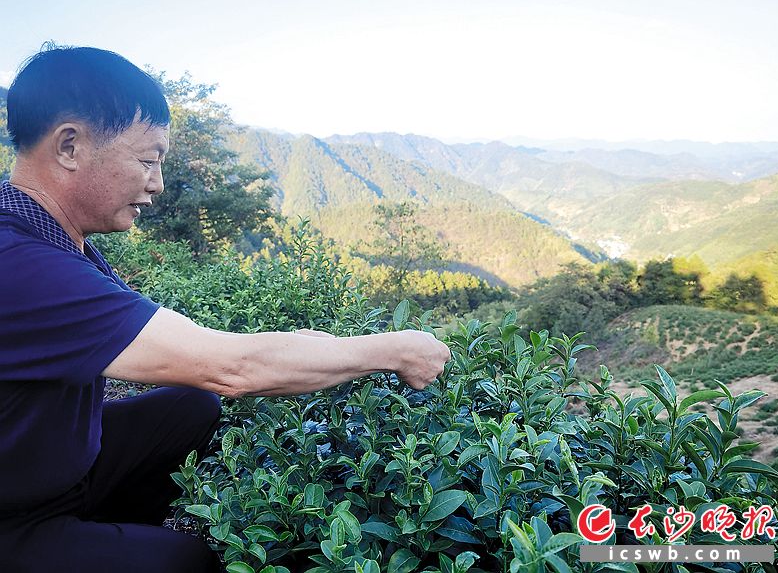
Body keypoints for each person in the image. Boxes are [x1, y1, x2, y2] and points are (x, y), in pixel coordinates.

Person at [0, 45, 450, 573]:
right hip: (15, 514)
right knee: (185, 561)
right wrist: (395, 349)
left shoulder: (47, 235)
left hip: (47, 465)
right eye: (147, 160)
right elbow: (232, 367)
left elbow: (182, 342)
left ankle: (108, 539)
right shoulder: (20, 265)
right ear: (70, 146)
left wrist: (318, 347)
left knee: (190, 406)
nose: (157, 183)